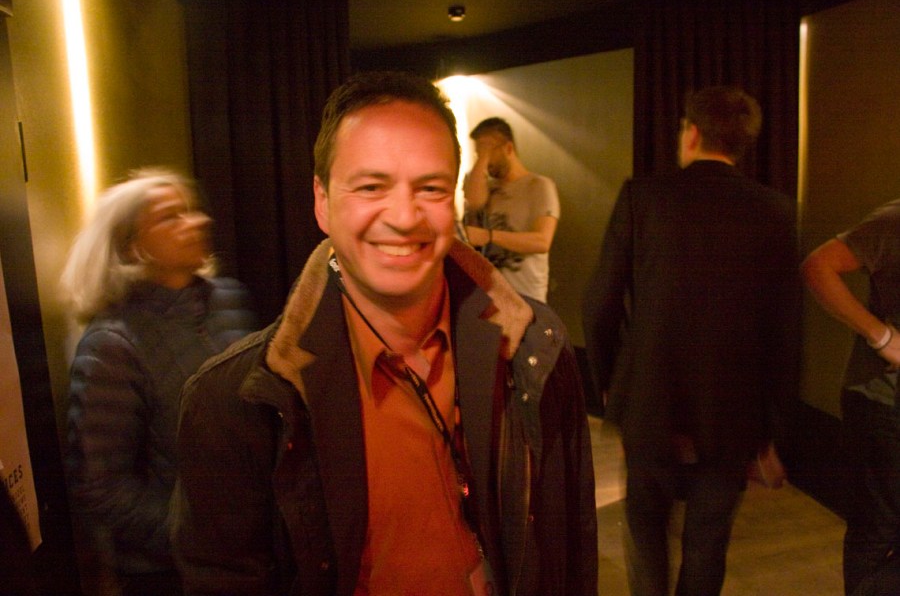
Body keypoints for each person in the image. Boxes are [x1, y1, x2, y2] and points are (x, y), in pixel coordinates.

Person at [173, 71, 597, 596]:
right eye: (371, 186)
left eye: (431, 188)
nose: (403, 216)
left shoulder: (534, 347)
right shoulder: (235, 402)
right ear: (322, 201)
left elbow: (569, 546)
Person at [582, 86, 799, 596]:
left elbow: (599, 303)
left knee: (645, 525)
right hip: (734, 409)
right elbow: (785, 332)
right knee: (708, 540)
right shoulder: (776, 211)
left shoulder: (642, 197)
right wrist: (774, 428)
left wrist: (611, 383)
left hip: (649, 398)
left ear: (692, 133)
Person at [61, 168, 257, 596]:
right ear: (134, 247)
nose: (199, 222)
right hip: (167, 573)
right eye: (171, 217)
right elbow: (101, 485)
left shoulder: (229, 299)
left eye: (192, 210)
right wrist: (194, 538)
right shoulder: (113, 344)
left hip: (252, 556)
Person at [802, 201, 900, 595]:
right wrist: (882, 337)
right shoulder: (895, 220)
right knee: (878, 528)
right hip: (885, 403)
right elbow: (818, 266)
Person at [462, 117, 560, 303]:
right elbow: (474, 202)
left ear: (508, 148)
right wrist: (483, 157)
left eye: (488, 150)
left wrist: (488, 236)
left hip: (527, 298)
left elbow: (542, 242)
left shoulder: (539, 185)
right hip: (490, 298)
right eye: (478, 152)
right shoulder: (487, 187)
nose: (484, 158)